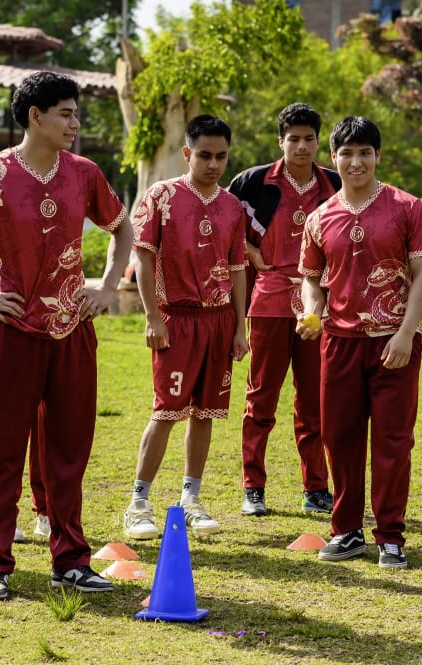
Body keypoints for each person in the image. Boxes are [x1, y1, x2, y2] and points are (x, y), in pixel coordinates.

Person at [0, 72, 132, 601]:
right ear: (35, 115)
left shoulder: (85, 174)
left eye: (76, 113)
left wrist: (107, 286)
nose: (75, 123)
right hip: (11, 331)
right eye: (66, 112)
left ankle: (71, 560)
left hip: (72, 330)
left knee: (68, 448)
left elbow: (123, 228)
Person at [298, 116, 422, 570]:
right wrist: (312, 312)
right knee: (339, 439)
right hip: (338, 343)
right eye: (346, 153)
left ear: (377, 156)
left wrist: (404, 333)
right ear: (333, 157)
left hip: (394, 343)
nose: (355, 161)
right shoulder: (320, 218)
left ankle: (391, 536)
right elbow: (311, 278)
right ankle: (345, 532)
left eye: (364, 152)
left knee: (393, 442)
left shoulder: (407, 207)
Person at [122, 115, 250, 542]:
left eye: (222, 157)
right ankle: (138, 501)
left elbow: (237, 270)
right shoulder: (160, 197)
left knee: (205, 412)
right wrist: (153, 316)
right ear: (187, 153)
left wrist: (239, 327)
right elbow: (143, 257)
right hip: (175, 318)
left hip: (219, 321)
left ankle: (191, 499)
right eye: (205, 155)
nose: (214, 164)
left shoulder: (233, 206)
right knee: (166, 411)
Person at [227, 102, 340, 517]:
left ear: (317, 142)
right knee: (261, 400)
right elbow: (223, 226)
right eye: (293, 139)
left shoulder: (334, 183)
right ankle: (252, 488)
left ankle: (316, 488)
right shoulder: (254, 181)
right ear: (281, 141)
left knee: (314, 403)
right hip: (269, 301)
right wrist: (250, 250)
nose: (302, 146)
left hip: (319, 306)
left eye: (309, 139)